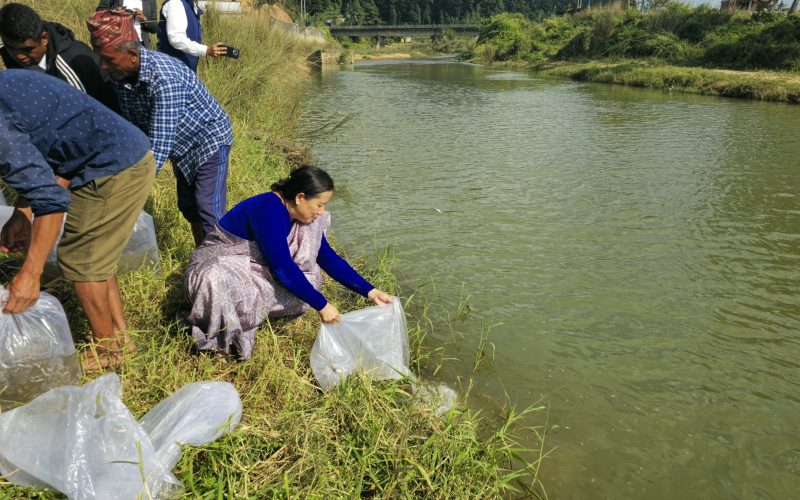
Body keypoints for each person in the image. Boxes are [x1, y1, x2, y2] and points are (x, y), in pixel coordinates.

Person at [0, 70, 156, 371]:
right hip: (102, 158)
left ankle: (108, 352)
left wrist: (31, 276)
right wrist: (23, 212)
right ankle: (122, 338)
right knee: (94, 255)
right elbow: (37, 161)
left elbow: (51, 201)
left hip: (117, 164)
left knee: (82, 261)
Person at [183, 166, 393, 360]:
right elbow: (282, 266)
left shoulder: (305, 220)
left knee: (311, 281)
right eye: (319, 205)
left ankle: (245, 315)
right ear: (300, 197)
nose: (321, 212)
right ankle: (220, 334)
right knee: (215, 278)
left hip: (252, 269)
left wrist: (371, 291)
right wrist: (323, 305)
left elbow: (329, 259)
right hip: (218, 266)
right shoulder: (268, 208)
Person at [87, 10, 233, 246]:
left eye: (109, 60)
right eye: (101, 59)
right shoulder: (119, 73)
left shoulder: (164, 78)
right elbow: (131, 127)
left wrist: (128, 192)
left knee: (208, 208)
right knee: (189, 207)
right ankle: (202, 258)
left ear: (133, 54)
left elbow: (159, 144)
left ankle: (221, 268)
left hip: (208, 138)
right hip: (182, 145)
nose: (103, 67)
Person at [0, 3, 119, 111]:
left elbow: (85, 112)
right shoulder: (8, 50)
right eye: (10, 48)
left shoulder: (69, 63)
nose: (19, 56)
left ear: (44, 39)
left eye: (27, 50)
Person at [157, 0, 227, 72]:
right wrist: (206, 50)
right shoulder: (175, 3)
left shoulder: (192, 6)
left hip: (183, 71)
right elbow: (176, 39)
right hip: (170, 70)